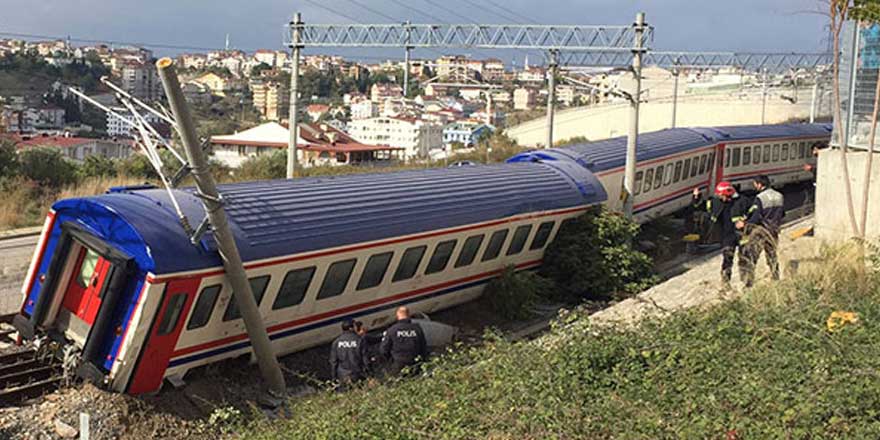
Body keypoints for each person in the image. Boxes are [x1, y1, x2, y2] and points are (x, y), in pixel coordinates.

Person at [692, 182, 753, 287]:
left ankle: (747, 282)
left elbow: (754, 214)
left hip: (742, 235)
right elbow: (699, 206)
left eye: (722, 195)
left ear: (728, 194)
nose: (720, 197)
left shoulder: (743, 201)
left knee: (744, 259)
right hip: (726, 236)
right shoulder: (715, 202)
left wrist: (745, 223)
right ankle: (725, 284)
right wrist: (696, 197)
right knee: (727, 259)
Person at [745, 175, 784, 281]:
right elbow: (782, 214)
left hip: (762, 230)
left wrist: (746, 226)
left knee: (752, 255)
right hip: (774, 230)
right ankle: (775, 276)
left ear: (759, 184)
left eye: (755, 184)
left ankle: (749, 280)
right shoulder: (779, 195)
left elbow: (756, 216)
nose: (754, 186)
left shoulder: (760, 198)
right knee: (772, 254)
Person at [379, 306, 428, 376]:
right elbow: (423, 347)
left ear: (397, 316)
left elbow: (383, 350)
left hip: (398, 364)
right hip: (415, 364)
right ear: (408, 315)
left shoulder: (392, 330)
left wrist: (391, 361)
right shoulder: (417, 329)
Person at [329, 319, 368, 390]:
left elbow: (333, 362)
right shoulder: (359, 340)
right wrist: (369, 374)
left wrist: (334, 378)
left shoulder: (336, 342)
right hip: (357, 374)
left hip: (343, 375)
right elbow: (365, 358)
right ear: (351, 328)